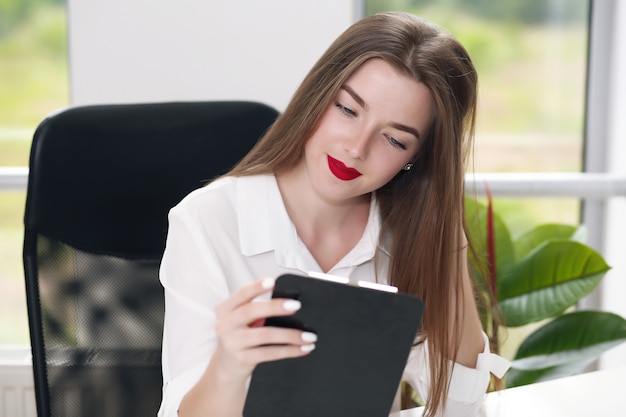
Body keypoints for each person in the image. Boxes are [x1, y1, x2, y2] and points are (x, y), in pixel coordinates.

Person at [158, 11, 509, 417]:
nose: (356, 148)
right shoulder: (208, 220)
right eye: (347, 109)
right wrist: (229, 367)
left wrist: (447, 240)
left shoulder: (403, 235)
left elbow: (458, 406)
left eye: (394, 139)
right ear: (318, 95)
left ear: (418, 158)